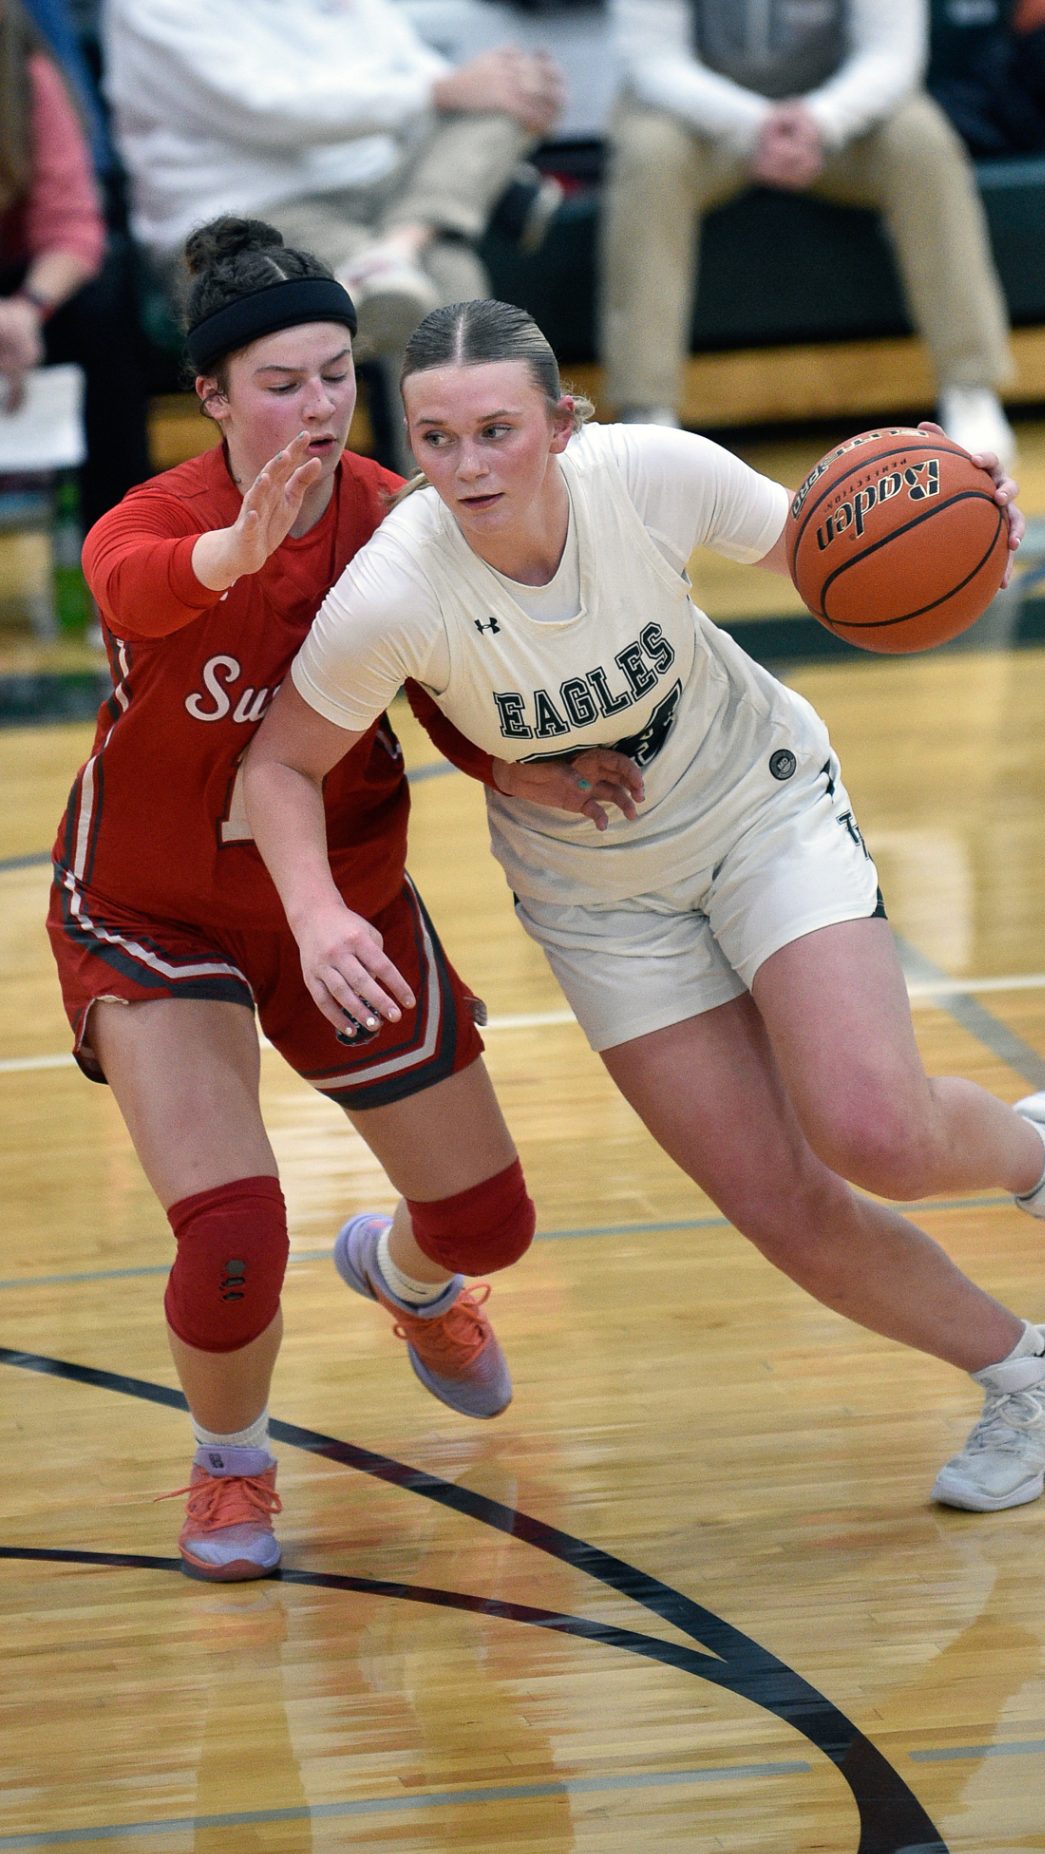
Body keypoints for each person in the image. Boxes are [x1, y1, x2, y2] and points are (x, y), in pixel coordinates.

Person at [244, 296, 1045, 1516]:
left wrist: (964, 512)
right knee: (779, 1204)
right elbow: (279, 766)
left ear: (561, 422)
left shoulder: (650, 474)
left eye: (496, 431)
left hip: (757, 805)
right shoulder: (396, 588)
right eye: (435, 439)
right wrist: (317, 913)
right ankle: (1030, 1380)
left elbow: (826, 546)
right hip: (596, 890)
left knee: (876, 1132)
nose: (467, 466)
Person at [44, 227, 636, 1585]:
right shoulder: (152, 524)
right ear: (211, 395)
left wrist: (518, 769)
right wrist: (231, 554)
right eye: (280, 384)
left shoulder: (395, 515)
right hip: (153, 908)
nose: (317, 406)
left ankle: (409, 1278)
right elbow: (130, 589)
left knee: (491, 1223)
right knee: (233, 1232)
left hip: (342, 897)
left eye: (334, 376)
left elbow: (446, 680)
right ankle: (231, 1463)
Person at [102, 0, 563, 464]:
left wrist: (503, 87)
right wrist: (441, 91)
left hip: (378, 184)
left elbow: (418, 68)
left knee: (499, 105)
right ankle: (463, 498)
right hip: (241, 214)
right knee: (449, 293)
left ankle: (400, 244)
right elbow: (265, 109)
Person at [599, 0, 1017, 461]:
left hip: (836, 115)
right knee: (650, 155)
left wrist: (819, 121)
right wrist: (755, 124)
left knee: (922, 143)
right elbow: (654, 62)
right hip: (698, 119)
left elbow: (892, 56)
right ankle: (648, 408)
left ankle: (970, 387)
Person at [0, 0, 150, 523]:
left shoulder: (25, 78)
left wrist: (26, 309)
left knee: (100, 310)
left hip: (22, 280)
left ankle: (120, 534)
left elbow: (71, 225)